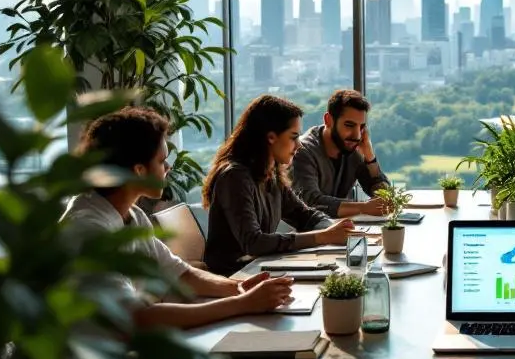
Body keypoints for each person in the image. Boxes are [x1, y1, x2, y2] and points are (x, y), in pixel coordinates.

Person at [60, 107, 296, 330]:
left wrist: (239, 288)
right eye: (162, 160)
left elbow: (181, 273)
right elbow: (137, 318)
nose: (168, 167)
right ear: (139, 170)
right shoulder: (89, 231)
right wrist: (243, 303)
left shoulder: (132, 215)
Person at [202, 95, 354, 276]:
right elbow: (254, 242)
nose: (299, 145)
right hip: (235, 277)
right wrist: (322, 236)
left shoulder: (271, 174)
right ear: (271, 137)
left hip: (259, 269)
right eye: (294, 137)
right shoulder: (234, 177)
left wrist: (337, 230)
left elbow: (304, 216)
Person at [291, 89, 391, 218]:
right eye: (349, 125)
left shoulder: (353, 149)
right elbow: (310, 202)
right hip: (305, 234)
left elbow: (380, 191)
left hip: (342, 230)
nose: (357, 135)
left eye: (361, 127)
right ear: (328, 120)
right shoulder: (303, 152)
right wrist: (364, 208)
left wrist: (370, 157)